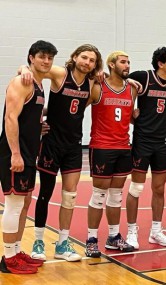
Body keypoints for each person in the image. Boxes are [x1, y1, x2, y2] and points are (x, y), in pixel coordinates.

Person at [19, 44, 102, 262]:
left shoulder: (92, 83)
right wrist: (23, 69)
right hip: (51, 144)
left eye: (92, 60)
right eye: (84, 57)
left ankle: (63, 243)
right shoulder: (60, 74)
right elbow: (33, 69)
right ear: (74, 57)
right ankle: (38, 240)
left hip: (73, 146)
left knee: (70, 196)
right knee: (45, 193)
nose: (87, 62)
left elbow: (77, 108)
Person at [0, 40, 58, 274]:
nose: (46, 61)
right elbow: (10, 119)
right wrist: (15, 153)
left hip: (29, 150)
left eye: (50, 57)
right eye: (41, 56)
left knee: (23, 204)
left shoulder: (38, 85)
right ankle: (7, 258)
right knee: (14, 204)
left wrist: (37, 126)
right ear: (31, 58)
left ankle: (15, 250)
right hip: (15, 152)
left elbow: (27, 115)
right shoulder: (21, 82)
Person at [125, 47, 166, 249]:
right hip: (142, 141)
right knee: (136, 188)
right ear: (161, 63)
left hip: (163, 142)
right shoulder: (143, 77)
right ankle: (132, 231)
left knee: (159, 189)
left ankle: (156, 231)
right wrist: (131, 112)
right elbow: (115, 78)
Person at [85, 51, 137, 257]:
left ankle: (114, 237)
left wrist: (135, 117)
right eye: (123, 62)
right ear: (111, 65)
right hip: (101, 147)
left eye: (128, 62)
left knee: (116, 197)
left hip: (124, 147)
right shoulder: (98, 86)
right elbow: (77, 106)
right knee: (98, 196)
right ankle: (91, 239)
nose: (127, 65)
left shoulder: (132, 89)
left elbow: (127, 117)